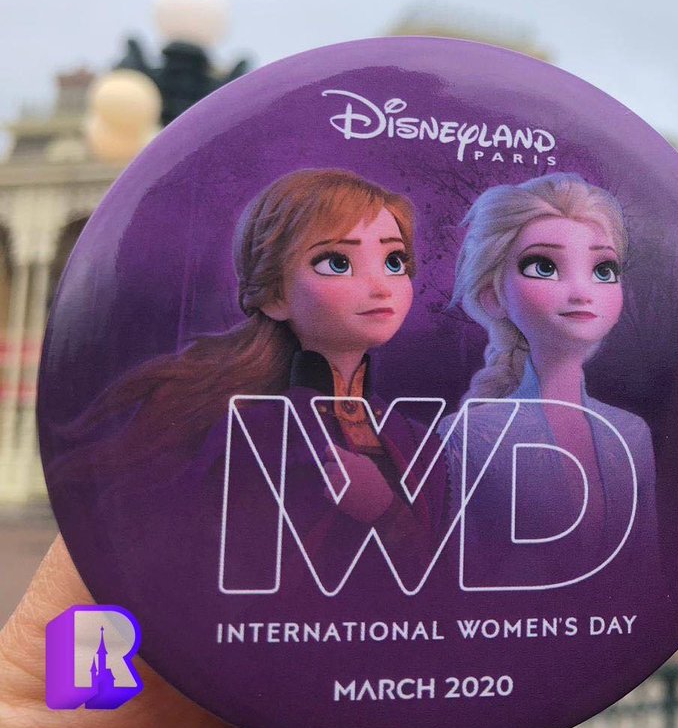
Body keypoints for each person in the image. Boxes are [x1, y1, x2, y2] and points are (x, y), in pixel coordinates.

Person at [52, 168, 444, 591]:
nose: (381, 286)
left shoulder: (411, 436)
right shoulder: (257, 431)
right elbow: (229, 577)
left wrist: (382, 508)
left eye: (394, 261)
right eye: (337, 263)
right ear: (275, 296)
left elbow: (441, 575)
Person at [439, 172, 658, 587]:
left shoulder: (631, 434)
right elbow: (456, 576)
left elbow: (647, 573)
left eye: (603, 270)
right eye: (544, 266)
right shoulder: (469, 434)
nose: (582, 292)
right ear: (493, 296)